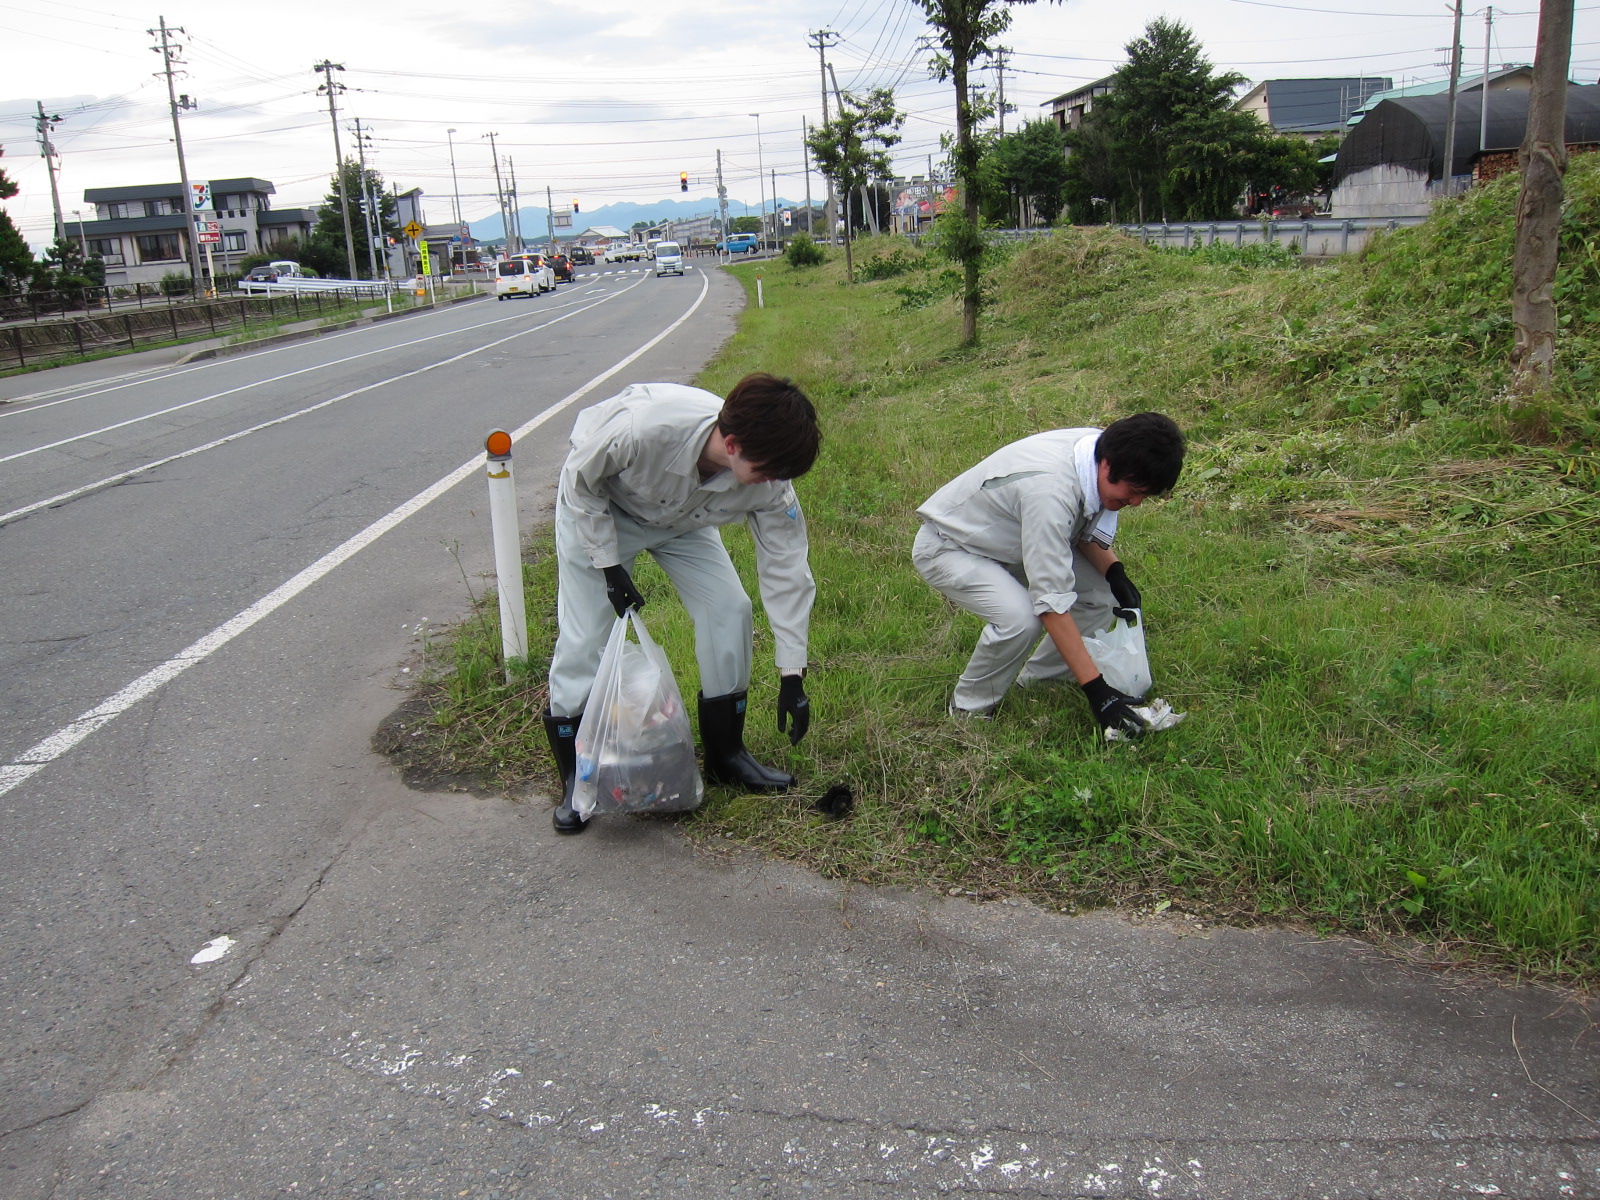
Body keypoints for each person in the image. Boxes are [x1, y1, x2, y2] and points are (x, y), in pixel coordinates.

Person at [542, 374, 822, 835]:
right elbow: (580, 480)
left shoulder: (772, 483)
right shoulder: (641, 428)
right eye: (770, 470)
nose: (776, 482)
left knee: (729, 608)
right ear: (731, 444)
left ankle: (726, 754)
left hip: (684, 521)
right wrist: (608, 565)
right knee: (585, 634)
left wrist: (792, 674)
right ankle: (578, 775)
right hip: (602, 511)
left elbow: (787, 569)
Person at [912, 412, 1185, 736]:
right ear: (1108, 465)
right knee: (1020, 618)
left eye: (1146, 494)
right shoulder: (1051, 491)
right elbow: (1051, 602)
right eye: (1134, 490)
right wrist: (1098, 691)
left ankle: (1041, 682)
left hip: (1012, 541)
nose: (1136, 502)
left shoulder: (1104, 449)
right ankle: (967, 712)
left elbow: (1082, 526)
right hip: (952, 547)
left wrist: (1115, 573)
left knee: (1103, 596)